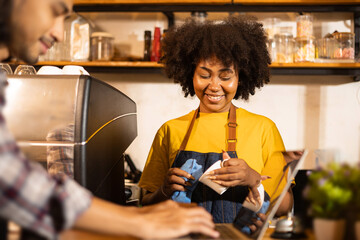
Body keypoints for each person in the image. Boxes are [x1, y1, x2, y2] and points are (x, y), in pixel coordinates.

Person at [0, 0, 219, 239]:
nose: (60, 34)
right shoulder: (171, 129)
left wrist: (137, 220)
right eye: (55, 11)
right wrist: (138, 221)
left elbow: (17, 183)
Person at [138, 15, 293, 230]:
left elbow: (285, 206)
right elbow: (145, 203)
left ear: (240, 77)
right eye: (204, 74)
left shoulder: (263, 128)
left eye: (225, 76)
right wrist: (164, 190)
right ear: (189, 75)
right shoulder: (170, 130)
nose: (214, 85)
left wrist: (253, 179)